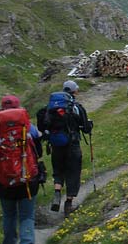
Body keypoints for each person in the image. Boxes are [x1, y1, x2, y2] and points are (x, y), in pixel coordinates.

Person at [0, 95, 43, 244]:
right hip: (28, 179)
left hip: (4, 181)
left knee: (9, 215)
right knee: (27, 216)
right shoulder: (29, 127)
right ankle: (27, 241)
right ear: (18, 107)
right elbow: (39, 152)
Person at [46, 80, 92, 217]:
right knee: (73, 172)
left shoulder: (51, 107)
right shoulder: (75, 107)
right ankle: (68, 204)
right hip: (72, 144)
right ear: (74, 92)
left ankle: (57, 192)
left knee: (58, 169)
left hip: (56, 144)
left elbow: (45, 124)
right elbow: (85, 128)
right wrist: (89, 125)